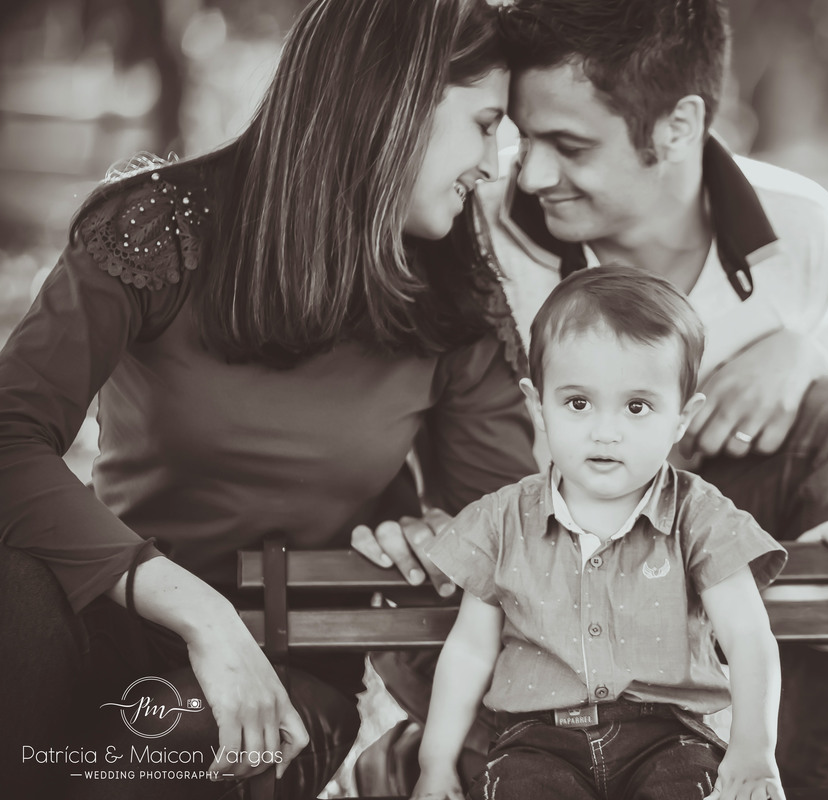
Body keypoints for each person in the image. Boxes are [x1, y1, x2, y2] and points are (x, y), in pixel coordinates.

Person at [369, 0, 828, 789]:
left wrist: (807, 357)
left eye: (570, 146)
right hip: (523, 593)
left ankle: (808, 777)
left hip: (707, 556)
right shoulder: (473, 236)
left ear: (677, 126)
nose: (529, 175)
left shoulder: (802, 225)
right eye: (524, 139)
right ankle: (436, 757)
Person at [0, 1, 535, 798]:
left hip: (288, 670)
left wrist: (441, 538)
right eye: (485, 124)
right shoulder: (162, 227)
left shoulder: (454, 298)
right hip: (109, 618)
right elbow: (10, 434)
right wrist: (200, 614)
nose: (493, 163)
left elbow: (515, 537)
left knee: (123, 774)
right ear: (396, 101)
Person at [410, 265, 788, 800]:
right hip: (535, 743)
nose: (605, 431)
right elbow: (471, 649)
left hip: (668, 737)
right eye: (578, 403)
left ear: (682, 418)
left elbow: (747, 636)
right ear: (538, 405)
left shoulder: (699, 516)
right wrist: (435, 761)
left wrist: (753, 747)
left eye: (637, 407)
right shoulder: (500, 520)